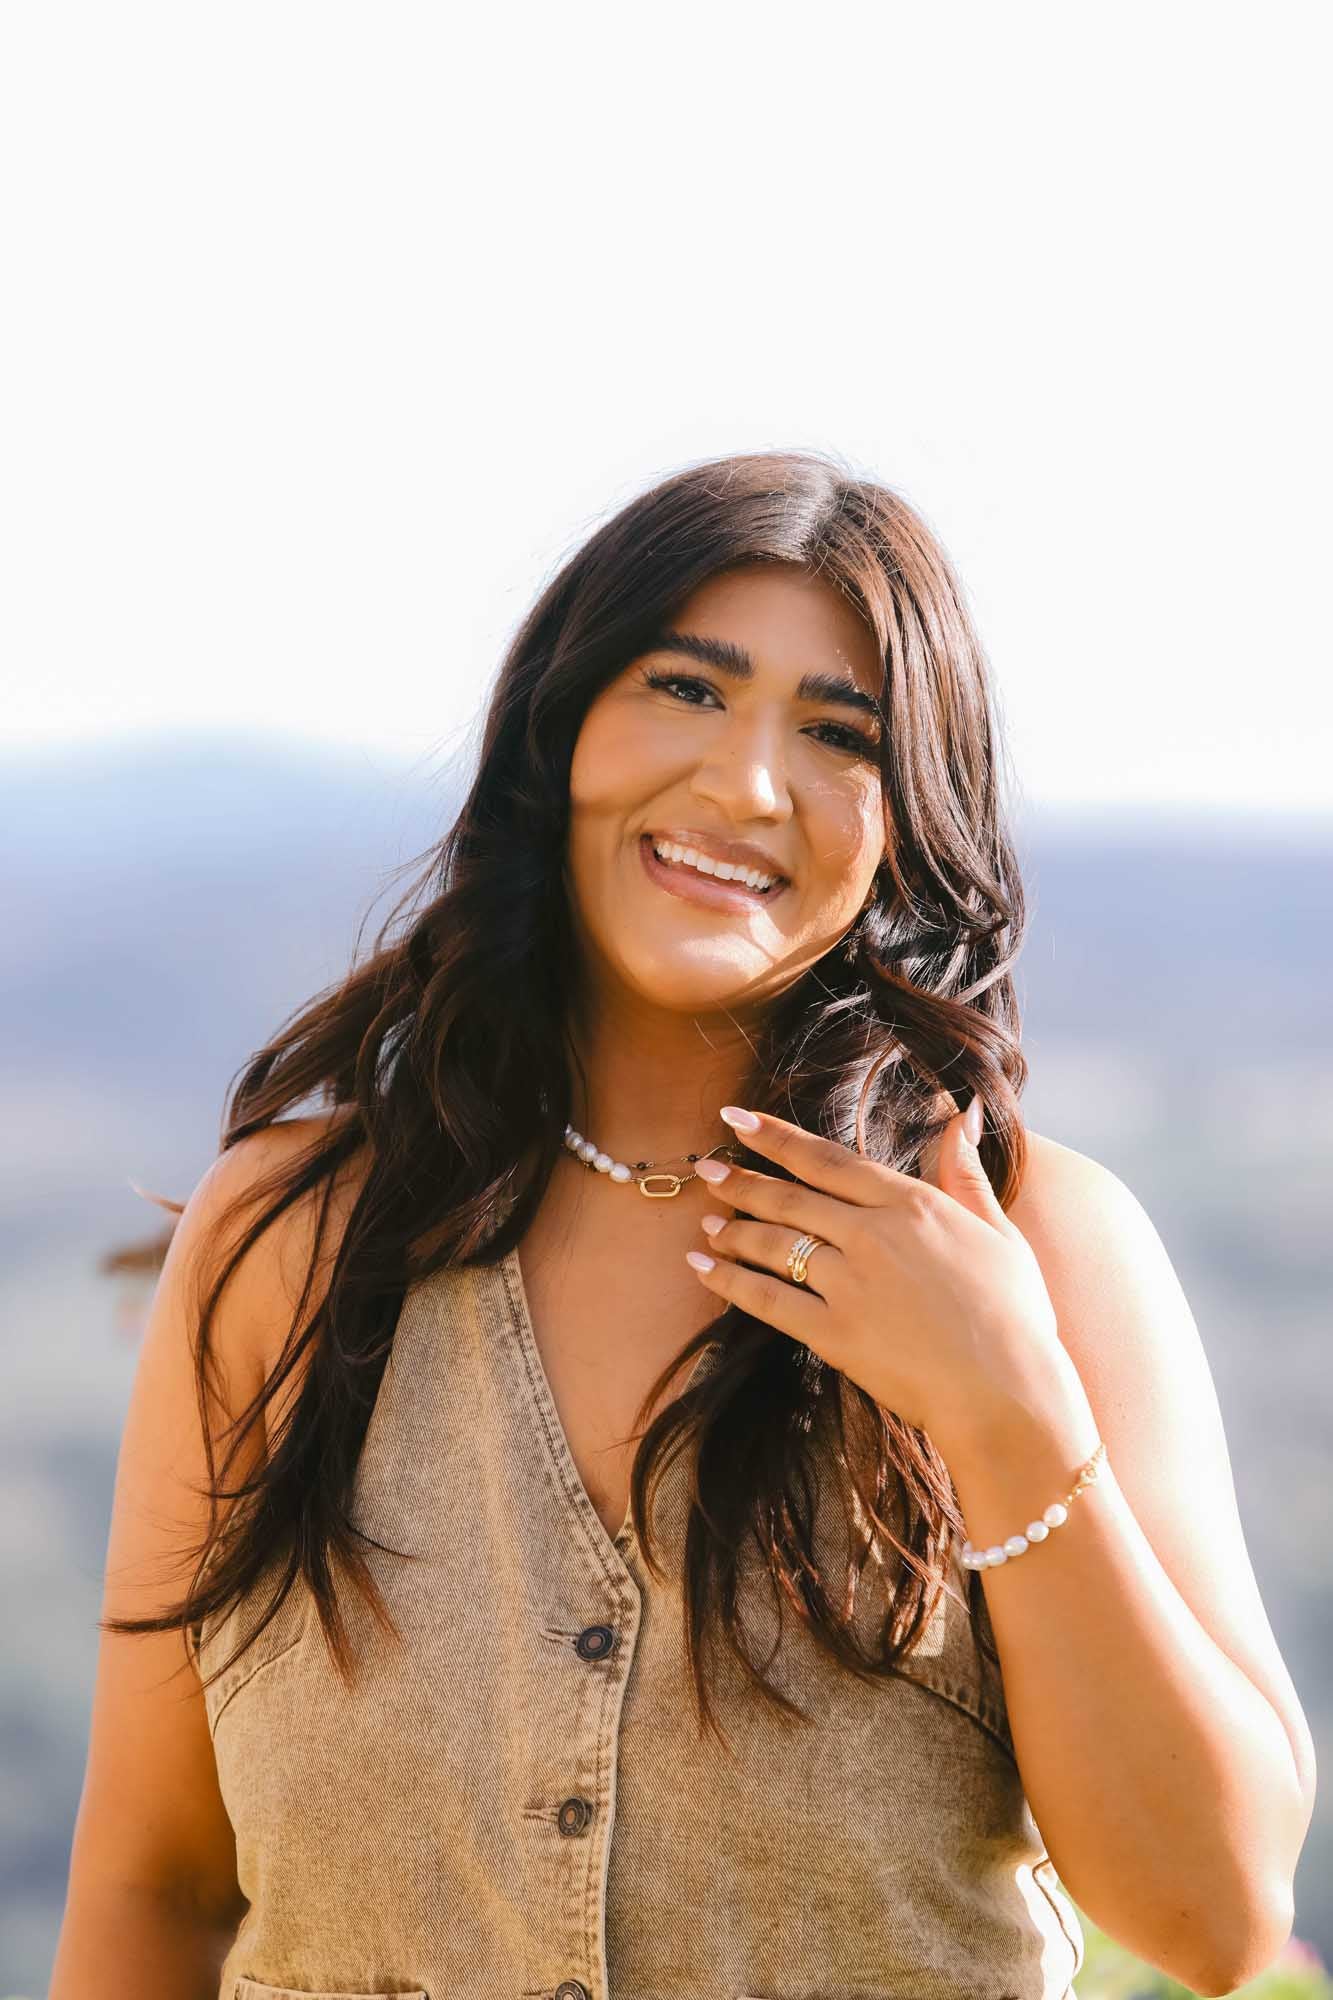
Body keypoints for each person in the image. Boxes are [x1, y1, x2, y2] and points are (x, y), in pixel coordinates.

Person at [52, 449, 1314, 1999]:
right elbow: (152, 1888)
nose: (746, 786)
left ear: (908, 823)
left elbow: (1213, 1918)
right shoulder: (292, 1243)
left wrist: (1001, 1407)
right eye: (688, 689)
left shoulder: (1043, 1251)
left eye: (838, 733)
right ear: (558, 728)